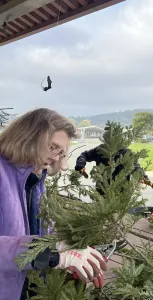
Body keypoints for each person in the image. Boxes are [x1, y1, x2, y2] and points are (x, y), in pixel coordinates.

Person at [0, 108, 107, 300]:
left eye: (60, 152)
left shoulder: (34, 180)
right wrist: (53, 256)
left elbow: (41, 233)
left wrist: (70, 248)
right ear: (29, 137)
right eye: (52, 147)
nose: (56, 157)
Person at [75, 127, 151, 195]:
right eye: (106, 141)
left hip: (121, 190)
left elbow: (135, 166)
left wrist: (142, 176)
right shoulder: (100, 150)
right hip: (102, 189)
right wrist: (81, 165)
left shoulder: (126, 152)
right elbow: (84, 155)